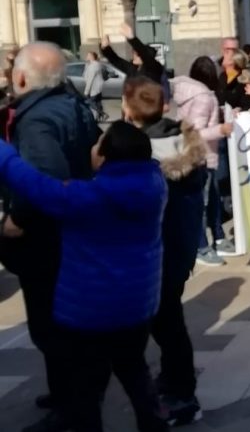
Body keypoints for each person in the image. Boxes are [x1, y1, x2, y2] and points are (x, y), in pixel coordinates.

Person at [0, 120, 169, 432]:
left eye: (98, 142)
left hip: (91, 313)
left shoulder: (86, 199)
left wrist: (4, 153)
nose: (92, 146)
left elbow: (32, 183)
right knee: (135, 372)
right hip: (136, 306)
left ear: (105, 157)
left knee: (86, 391)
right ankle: (155, 425)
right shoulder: (154, 185)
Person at [0, 42, 99, 431]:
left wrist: (18, 219)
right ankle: (66, 396)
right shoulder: (72, 105)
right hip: (72, 231)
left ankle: (72, 409)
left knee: (49, 326)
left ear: (22, 77)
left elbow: (45, 178)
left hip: (45, 237)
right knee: (62, 322)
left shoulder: (36, 120)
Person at [122, 76, 208, 425]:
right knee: (168, 323)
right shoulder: (185, 142)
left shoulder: (136, 154)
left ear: (127, 109)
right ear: (165, 106)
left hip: (151, 254)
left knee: (166, 327)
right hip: (180, 250)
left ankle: (182, 394)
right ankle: (174, 382)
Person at [172, 57, 235, 267]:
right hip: (202, 156)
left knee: (213, 200)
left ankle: (217, 237)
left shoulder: (193, 94)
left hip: (199, 156)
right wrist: (221, 130)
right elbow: (196, 131)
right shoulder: (204, 97)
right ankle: (201, 246)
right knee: (202, 203)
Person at [101, 23, 168, 101]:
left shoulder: (154, 68)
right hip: (132, 108)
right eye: (134, 53)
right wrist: (106, 48)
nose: (133, 56)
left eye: (136, 54)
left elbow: (145, 54)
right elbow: (116, 60)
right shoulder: (133, 68)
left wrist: (132, 38)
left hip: (146, 107)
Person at [83, 50, 108, 122]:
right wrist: (87, 64)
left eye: (88, 55)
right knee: (97, 102)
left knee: (90, 102)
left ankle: (102, 114)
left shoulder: (93, 66)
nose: (86, 56)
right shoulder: (93, 64)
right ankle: (100, 117)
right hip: (98, 88)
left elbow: (90, 80)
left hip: (94, 88)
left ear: (91, 57)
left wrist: (86, 92)